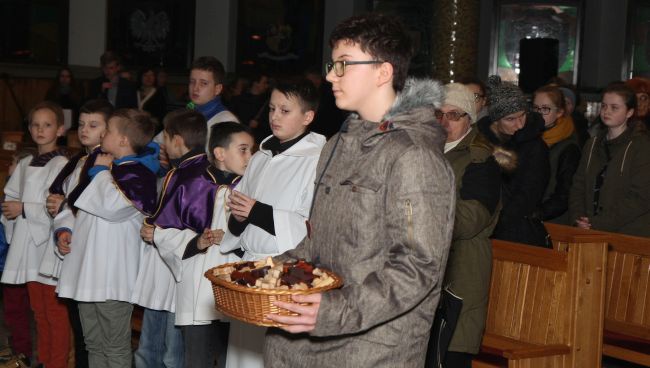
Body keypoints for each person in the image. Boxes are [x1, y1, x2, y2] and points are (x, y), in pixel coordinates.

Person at [262, 13, 455, 367]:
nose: (330, 76)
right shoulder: (338, 143)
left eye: (344, 65)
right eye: (332, 64)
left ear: (383, 72)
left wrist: (334, 311)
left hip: (369, 348)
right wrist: (267, 272)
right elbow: (316, 242)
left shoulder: (413, 155)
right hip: (305, 339)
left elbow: (418, 267)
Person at [219, 78, 326, 367]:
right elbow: (242, 210)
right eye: (272, 108)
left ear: (308, 117)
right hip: (250, 266)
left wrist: (257, 212)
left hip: (284, 272)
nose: (275, 116)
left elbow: (311, 222)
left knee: (271, 356)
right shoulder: (261, 155)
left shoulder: (318, 159)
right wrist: (239, 218)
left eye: (285, 110)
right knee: (242, 355)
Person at [143, 119, 254, 368]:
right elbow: (163, 231)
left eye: (251, 150)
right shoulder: (191, 183)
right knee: (196, 360)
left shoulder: (253, 188)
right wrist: (197, 241)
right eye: (244, 149)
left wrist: (233, 240)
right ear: (220, 153)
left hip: (238, 286)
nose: (250, 156)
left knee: (234, 359)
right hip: (198, 285)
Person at [56, 109, 159, 368]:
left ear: (124, 140)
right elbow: (77, 206)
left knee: (115, 347)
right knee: (93, 343)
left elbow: (113, 207)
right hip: (88, 271)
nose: (103, 134)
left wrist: (100, 173)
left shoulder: (139, 174)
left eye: (109, 130)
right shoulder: (101, 166)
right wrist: (66, 228)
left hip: (113, 276)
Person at [432, 83, 507, 368]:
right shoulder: (424, 151)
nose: (445, 122)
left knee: (450, 354)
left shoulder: (481, 160)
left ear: (470, 120)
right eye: (439, 114)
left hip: (460, 272)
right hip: (428, 267)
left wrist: (422, 213)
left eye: (455, 115)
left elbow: (471, 219)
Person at [1, 101, 70, 368]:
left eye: (48, 125)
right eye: (35, 125)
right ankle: (42, 360)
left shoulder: (62, 163)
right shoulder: (27, 161)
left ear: (60, 129)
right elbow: (11, 197)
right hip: (27, 246)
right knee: (38, 312)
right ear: (29, 129)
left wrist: (24, 209)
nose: (41, 130)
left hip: (50, 248)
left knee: (55, 313)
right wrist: (11, 209)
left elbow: (59, 206)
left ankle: (57, 363)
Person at [46, 99, 113, 368]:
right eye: (82, 124)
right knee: (82, 330)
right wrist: (62, 226)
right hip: (75, 248)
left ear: (109, 130)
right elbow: (66, 201)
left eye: (93, 125)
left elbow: (86, 203)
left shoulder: (108, 163)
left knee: (98, 335)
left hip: (97, 255)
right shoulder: (80, 160)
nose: (85, 129)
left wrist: (63, 206)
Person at [476, 75, 550, 248]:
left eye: (522, 115)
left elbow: (527, 196)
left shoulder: (535, 146)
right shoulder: (480, 141)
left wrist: (496, 224)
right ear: (495, 120)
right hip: (481, 229)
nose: (519, 124)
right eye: (510, 119)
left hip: (515, 233)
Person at [569, 83, 650, 236]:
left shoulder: (642, 146)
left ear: (629, 112)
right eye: (604, 106)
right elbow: (578, 186)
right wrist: (578, 219)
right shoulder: (592, 144)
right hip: (588, 228)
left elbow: (640, 198)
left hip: (628, 233)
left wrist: (598, 223)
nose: (607, 111)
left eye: (614, 107)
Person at [0, 148, 36, 367]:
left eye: (13, 162)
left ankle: (22, 354)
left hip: (15, 261)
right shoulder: (11, 191)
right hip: (9, 260)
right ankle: (16, 349)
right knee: (14, 311)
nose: (9, 166)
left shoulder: (22, 195)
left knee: (17, 309)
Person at [532, 85, 581, 225]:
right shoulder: (528, 137)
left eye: (546, 109)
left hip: (553, 223)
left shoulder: (568, 148)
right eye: (535, 108)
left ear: (559, 112)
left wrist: (535, 214)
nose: (539, 113)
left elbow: (565, 194)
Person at [229, 71, 271, 143]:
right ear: (255, 83)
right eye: (264, 83)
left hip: (259, 142)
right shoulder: (238, 100)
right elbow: (230, 120)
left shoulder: (268, 102)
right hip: (238, 140)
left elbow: (270, 125)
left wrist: (259, 124)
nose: (266, 86)